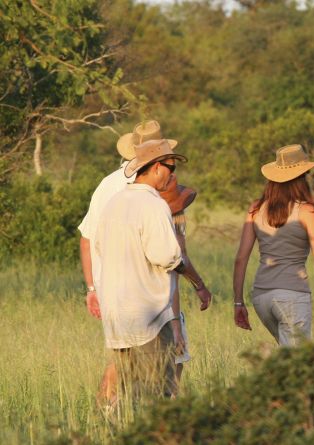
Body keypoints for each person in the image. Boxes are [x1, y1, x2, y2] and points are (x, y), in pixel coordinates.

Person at [93, 139, 209, 405]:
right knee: (157, 394)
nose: (172, 174)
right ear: (156, 167)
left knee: (127, 389)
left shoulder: (114, 203)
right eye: (170, 167)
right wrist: (198, 282)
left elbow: (99, 246)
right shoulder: (153, 205)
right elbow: (168, 256)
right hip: (149, 317)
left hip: (117, 316)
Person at [78, 120, 173, 407]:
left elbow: (87, 238)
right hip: (146, 292)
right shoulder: (153, 188)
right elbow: (167, 253)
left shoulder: (107, 184)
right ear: (157, 162)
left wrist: (93, 287)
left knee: (121, 361)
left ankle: (106, 416)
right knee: (160, 367)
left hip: (111, 289)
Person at [233, 144, 314, 345]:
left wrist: (238, 302)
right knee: (298, 368)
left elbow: (240, 259)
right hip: (292, 297)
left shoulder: (256, 208)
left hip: (262, 298)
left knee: (286, 359)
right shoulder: (308, 211)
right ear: (301, 176)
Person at [159, 174, 211, 394]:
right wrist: (176, 326)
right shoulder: (171, 233)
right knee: (173, 376)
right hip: (165, 310)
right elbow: (173, 282)